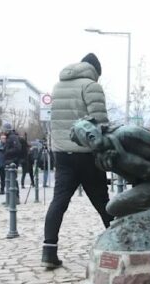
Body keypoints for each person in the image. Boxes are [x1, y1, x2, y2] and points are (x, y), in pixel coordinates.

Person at [42, 53, 113, 269]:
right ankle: (118, 245)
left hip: (62, 153)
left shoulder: (58, 86)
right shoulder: (91, 86)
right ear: (95, 71)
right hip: (86, 154)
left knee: (59, 202)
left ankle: (49, 251)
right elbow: (99, 122)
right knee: (103, 202)